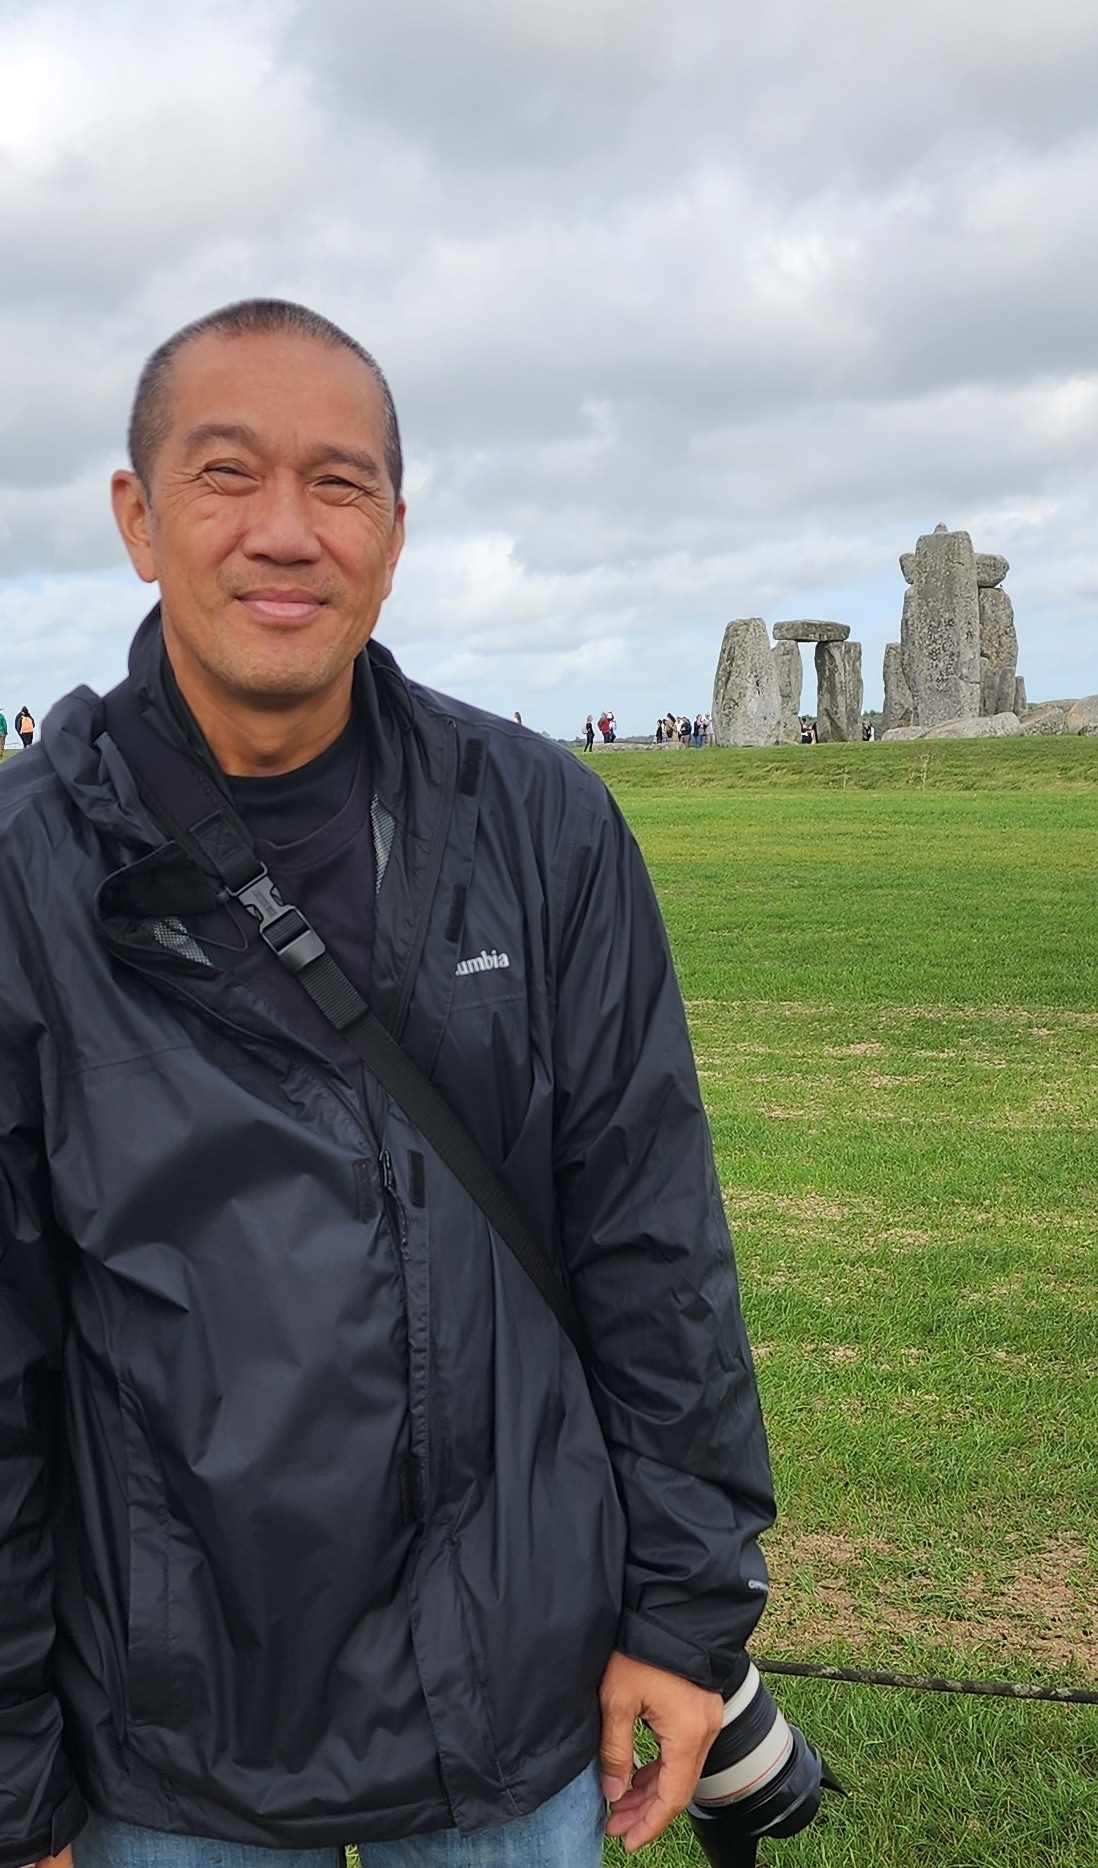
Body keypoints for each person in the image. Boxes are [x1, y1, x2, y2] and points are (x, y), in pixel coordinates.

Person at [0, 300, 783, 1868]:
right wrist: (16, 1783)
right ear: (136, 520)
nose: (286, 531)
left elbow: (651, 1239)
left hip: (511, 1699)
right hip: (171, 1737)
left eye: (340, 485)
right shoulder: (26, 875)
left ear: (398, 531)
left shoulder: (544, 826)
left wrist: (689, 1615)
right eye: (227, 475)